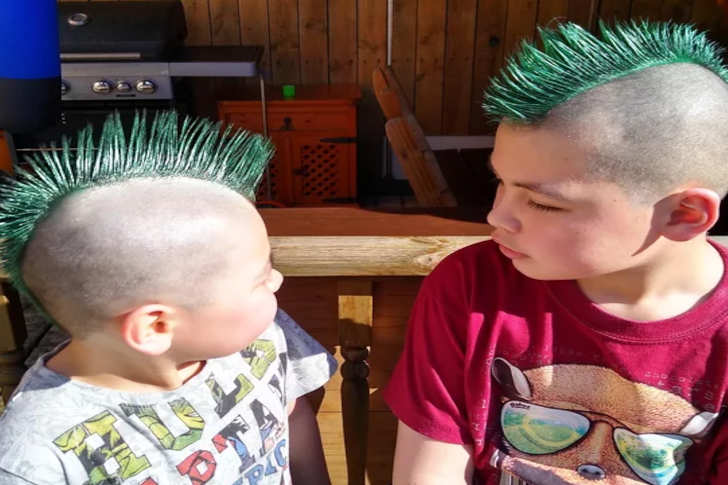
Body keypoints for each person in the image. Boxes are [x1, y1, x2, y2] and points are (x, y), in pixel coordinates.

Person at [384, 20, 728, 485]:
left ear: (684, 214)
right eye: (499, 182)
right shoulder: (473, 286)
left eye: (544, 203)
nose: (497, 216)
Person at [0, 112, 337, 485]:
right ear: (156, 326)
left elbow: (291, 414)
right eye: (260, 278)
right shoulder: (34, 458)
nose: (277, 280)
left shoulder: (259, 339)